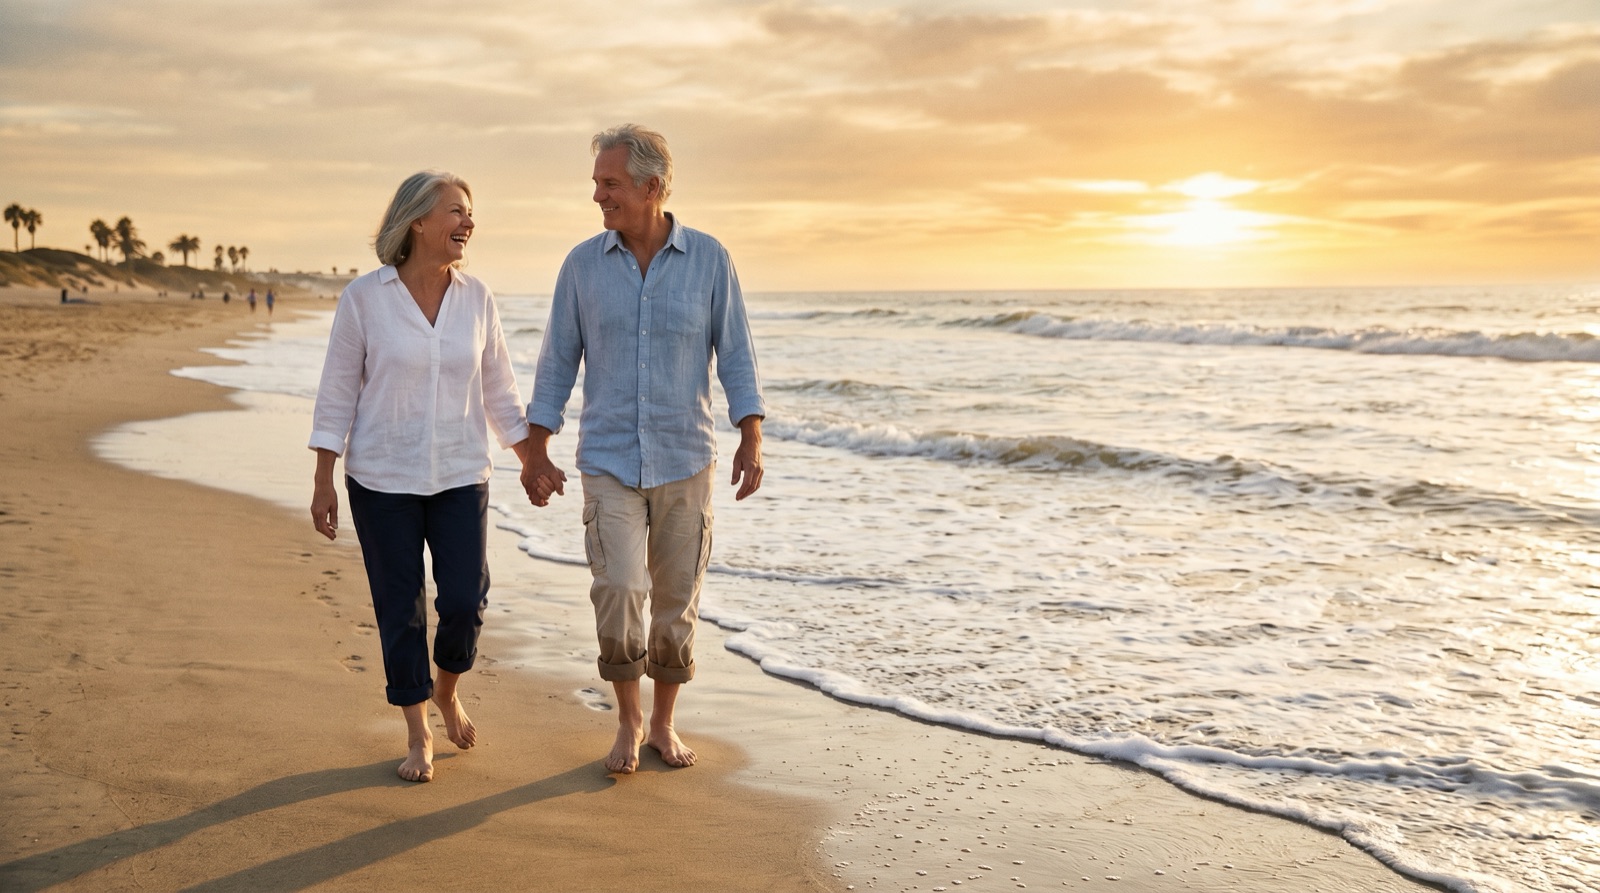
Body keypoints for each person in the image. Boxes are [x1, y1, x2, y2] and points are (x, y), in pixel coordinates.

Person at [521, 124, 766, 774]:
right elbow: (556, 364)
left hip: (687, 457)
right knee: (620, 587)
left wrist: (752, 434)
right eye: (598, 183)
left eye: (610, 184)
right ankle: (628, 721)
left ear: (651, 186)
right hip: (608, 460)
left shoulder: (711, 260)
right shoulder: (581, 266)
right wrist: (536, 450)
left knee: (675, 598)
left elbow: (735, 354)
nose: (598, 195)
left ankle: (663, 721)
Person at [308, 170, 530, 783]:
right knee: (400, 609)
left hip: (461, 473)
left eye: (470, 212)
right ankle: (416, 733)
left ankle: (447, 689)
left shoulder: (478, 297)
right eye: (457, 211)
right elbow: (336, 394)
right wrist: (324, 477)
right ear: (417, 222)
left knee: (464, 598)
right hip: (382, 480)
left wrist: (530, 458)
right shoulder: (364, 299)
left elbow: (500, 391)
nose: (468, 222)